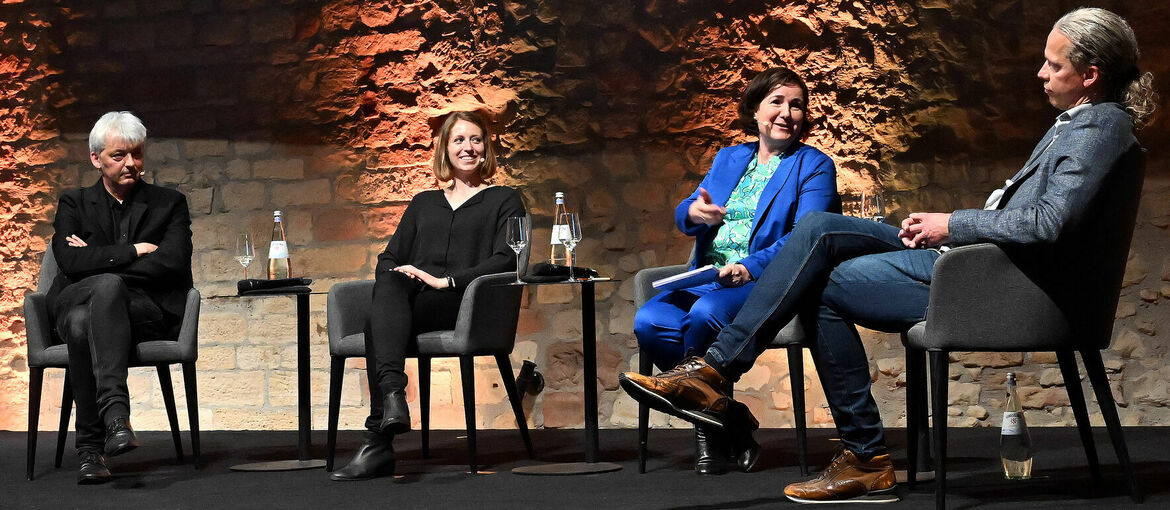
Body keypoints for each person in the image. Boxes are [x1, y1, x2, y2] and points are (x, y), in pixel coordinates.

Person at [620, 7, 1155, 504]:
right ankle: (746, 392)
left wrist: (954, 224)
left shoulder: (1098, 127)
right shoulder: (1086, 125)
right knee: (821, 234)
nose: (1040, 72)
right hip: (983, 265)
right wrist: (947, 225)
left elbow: (1047, 224)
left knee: (818, 269)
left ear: (1089, 75)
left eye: (1053, 63)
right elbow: (1038, 216)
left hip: (1004, 285)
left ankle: (826, 435)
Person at [633, 67, 838, 475]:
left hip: (768, 281)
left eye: (796, 105)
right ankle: (735, 423)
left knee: (707, 314)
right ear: (756, 111)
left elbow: (806, 238)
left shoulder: (814, 165)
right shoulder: (731, 157)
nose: (786, 112)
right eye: (776, 102)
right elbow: (688, 210)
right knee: (650, 319)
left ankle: (708, 438)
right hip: (707, 276)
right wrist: (695, 211)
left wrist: (749, 267)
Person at [331, 111, 526, 481]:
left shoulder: (505, 199)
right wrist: (406, 273)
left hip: (468, 302)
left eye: (475, 139)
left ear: (486, 148)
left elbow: (508, 257)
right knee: (389, 279)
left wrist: (447, 282)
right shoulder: (423, 202)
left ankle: (379, 436)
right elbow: (389, 256)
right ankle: (392, 399)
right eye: (458, 140)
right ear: (445, 149)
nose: (467, 147)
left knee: (378, 322)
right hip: (418, 302)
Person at [48, 111, 194, 484]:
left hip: (143, 309)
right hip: (73, 301)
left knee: (89, 317)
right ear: (96, 159)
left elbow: (172, 264)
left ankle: (90, 450)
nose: (131, 163)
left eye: (137, 154)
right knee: (97, 298)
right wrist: (134, 251)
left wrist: (96, 262)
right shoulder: (73, 203)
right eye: (119, 156)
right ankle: (116, 417)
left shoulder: (169, 203)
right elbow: (67, 261)